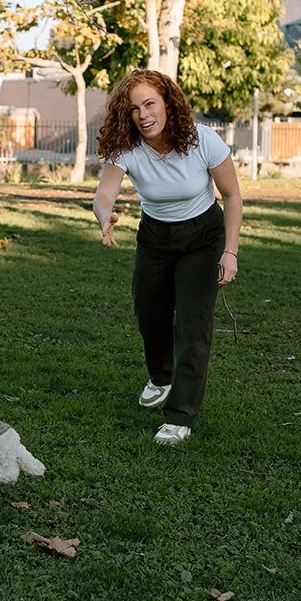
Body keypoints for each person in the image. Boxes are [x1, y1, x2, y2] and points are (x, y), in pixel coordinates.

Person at [92, 70, 243, 444]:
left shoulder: (201, 139)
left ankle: (180, 416)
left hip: (203, 237)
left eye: (149, 104)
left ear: (166, 103)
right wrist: (104, 215)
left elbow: (233, 196)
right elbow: (105, 192)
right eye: (134, 109)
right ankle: (162, 376)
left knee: (193, 326)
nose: (143, 115)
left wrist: (230, 251)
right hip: (155, 237)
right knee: (149, 311)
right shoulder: (125, 146)